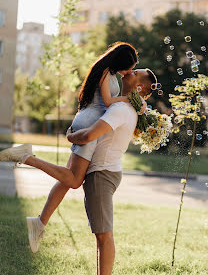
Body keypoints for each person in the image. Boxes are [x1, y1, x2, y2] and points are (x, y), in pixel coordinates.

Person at [0, 67, 157, 275]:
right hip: (106, 172)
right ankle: (38, 220)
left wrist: (71, 136)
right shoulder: (126, 106)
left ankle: (27, 159)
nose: (132, 70)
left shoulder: (121, 109)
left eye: (136, 72)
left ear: (138, 86)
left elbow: (88, 135)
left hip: (102, 175)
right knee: (71, 181)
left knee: (104, 236)